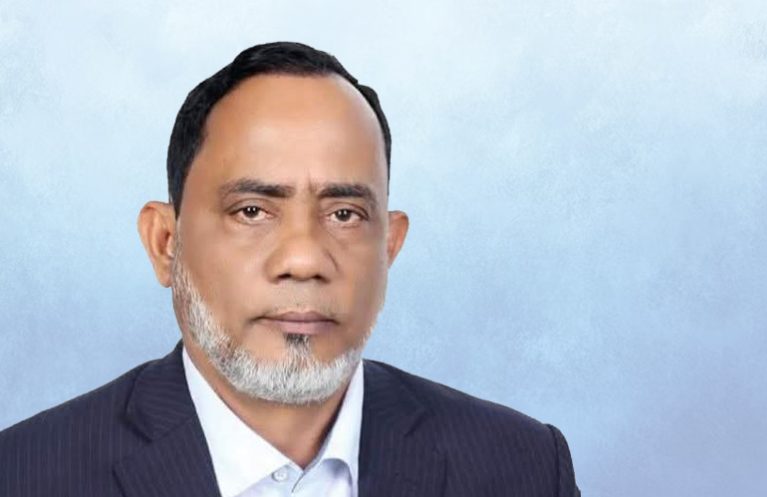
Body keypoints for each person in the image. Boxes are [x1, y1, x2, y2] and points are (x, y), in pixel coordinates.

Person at [0, 41, 580, 497]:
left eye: (345, 214)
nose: (304, 260)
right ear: (165, 243)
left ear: (390, 246)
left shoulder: (525, 468)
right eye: (252, 211)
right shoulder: (25, 475)